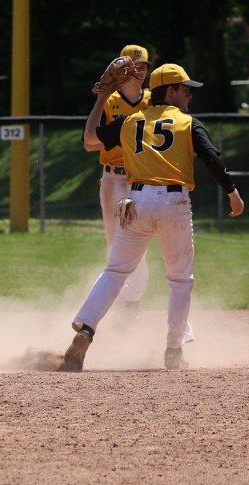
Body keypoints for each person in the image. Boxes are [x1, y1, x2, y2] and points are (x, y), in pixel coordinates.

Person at [63, 63, 245, 372]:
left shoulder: (130, 121)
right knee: (180, 280)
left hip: (136, 201)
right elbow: (212, 158)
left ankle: (86, 329)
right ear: (170, 91)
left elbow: (91, 138)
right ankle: (173, 350)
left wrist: (101, 98)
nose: (189, 95)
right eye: (185, 89)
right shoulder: (187, 122)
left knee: (115, 272)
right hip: (174, 203)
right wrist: (232, 191)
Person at [84, 44, 152, 327]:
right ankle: (121, 301)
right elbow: (89, 143)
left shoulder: (152, 100)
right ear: (121, 70)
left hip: (141, 178)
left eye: (143, 66)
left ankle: (130, 301)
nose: (139, 71)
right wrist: (122, 139)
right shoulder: (109, 101)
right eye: (133, 67)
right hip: (113, 178)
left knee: (139, 243)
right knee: (115, 244)